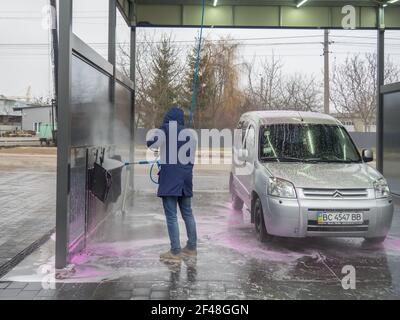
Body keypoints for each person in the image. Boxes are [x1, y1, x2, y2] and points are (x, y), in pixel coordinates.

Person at [147, 106, 197, 263]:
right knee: (187, 213)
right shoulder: (190, 135)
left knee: (171, 216)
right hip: (186, 180)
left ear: (168, 118)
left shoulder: (167, 129)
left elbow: (151, 143)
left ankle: (175, 251)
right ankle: (191, 248)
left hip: (170, 180)